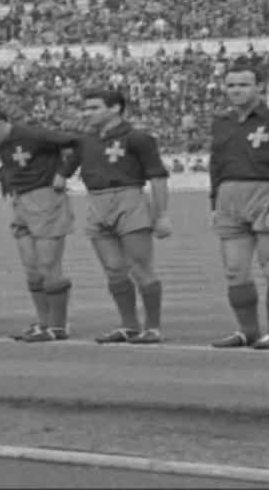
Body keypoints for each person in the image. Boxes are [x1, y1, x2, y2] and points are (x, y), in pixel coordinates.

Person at [61, 89, 172, 344]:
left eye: (94, 108)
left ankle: (153, 327)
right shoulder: (85, 141)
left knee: (140, 267)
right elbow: (63, 174)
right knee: (113, 270)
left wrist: (162, 214)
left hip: (129, 199)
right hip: (96, 202)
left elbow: (157, 176)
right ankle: (129, 325)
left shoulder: (138, 138)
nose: (87, 113)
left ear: (115, 109)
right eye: (85, 108)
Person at [208, 65, 269, 349]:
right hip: (228, 197)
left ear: (259, 87)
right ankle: (247, 331)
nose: (236, 90)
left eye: (243, 85)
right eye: (231, 85)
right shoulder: (221, 122)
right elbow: (216, 162)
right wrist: (215, 201)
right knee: (235, 271)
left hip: (265, 193)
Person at [0, 105, 79, 342]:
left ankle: (58, 326)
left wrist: (64, 173)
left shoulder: (34, 135)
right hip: (20, 201)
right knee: (31, 268)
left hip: (45, 198)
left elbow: (78, 143)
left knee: (49, 264)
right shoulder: (1, 143)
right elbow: (17, 166)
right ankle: (43, 322)